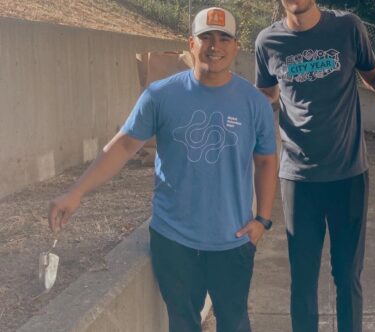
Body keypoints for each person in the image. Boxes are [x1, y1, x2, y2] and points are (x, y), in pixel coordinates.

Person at [48, 7, 277, 332]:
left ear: (235, 46)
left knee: (235, 322)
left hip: (233, 240)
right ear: (191, 44)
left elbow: (266, 160)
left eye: (224, 37)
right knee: (182, 324)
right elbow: (124, 145)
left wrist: (262, 220)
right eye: (206, 37)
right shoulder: (160, 95)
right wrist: (75, 193)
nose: (215, 46)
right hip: (174, 240)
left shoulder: (253, 102)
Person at [255, 1, 375, 331]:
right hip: (298, 178)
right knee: (303, 280)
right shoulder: (267, 42)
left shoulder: (348, 27)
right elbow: (264, 95)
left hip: (349, 174)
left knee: (348, 277)